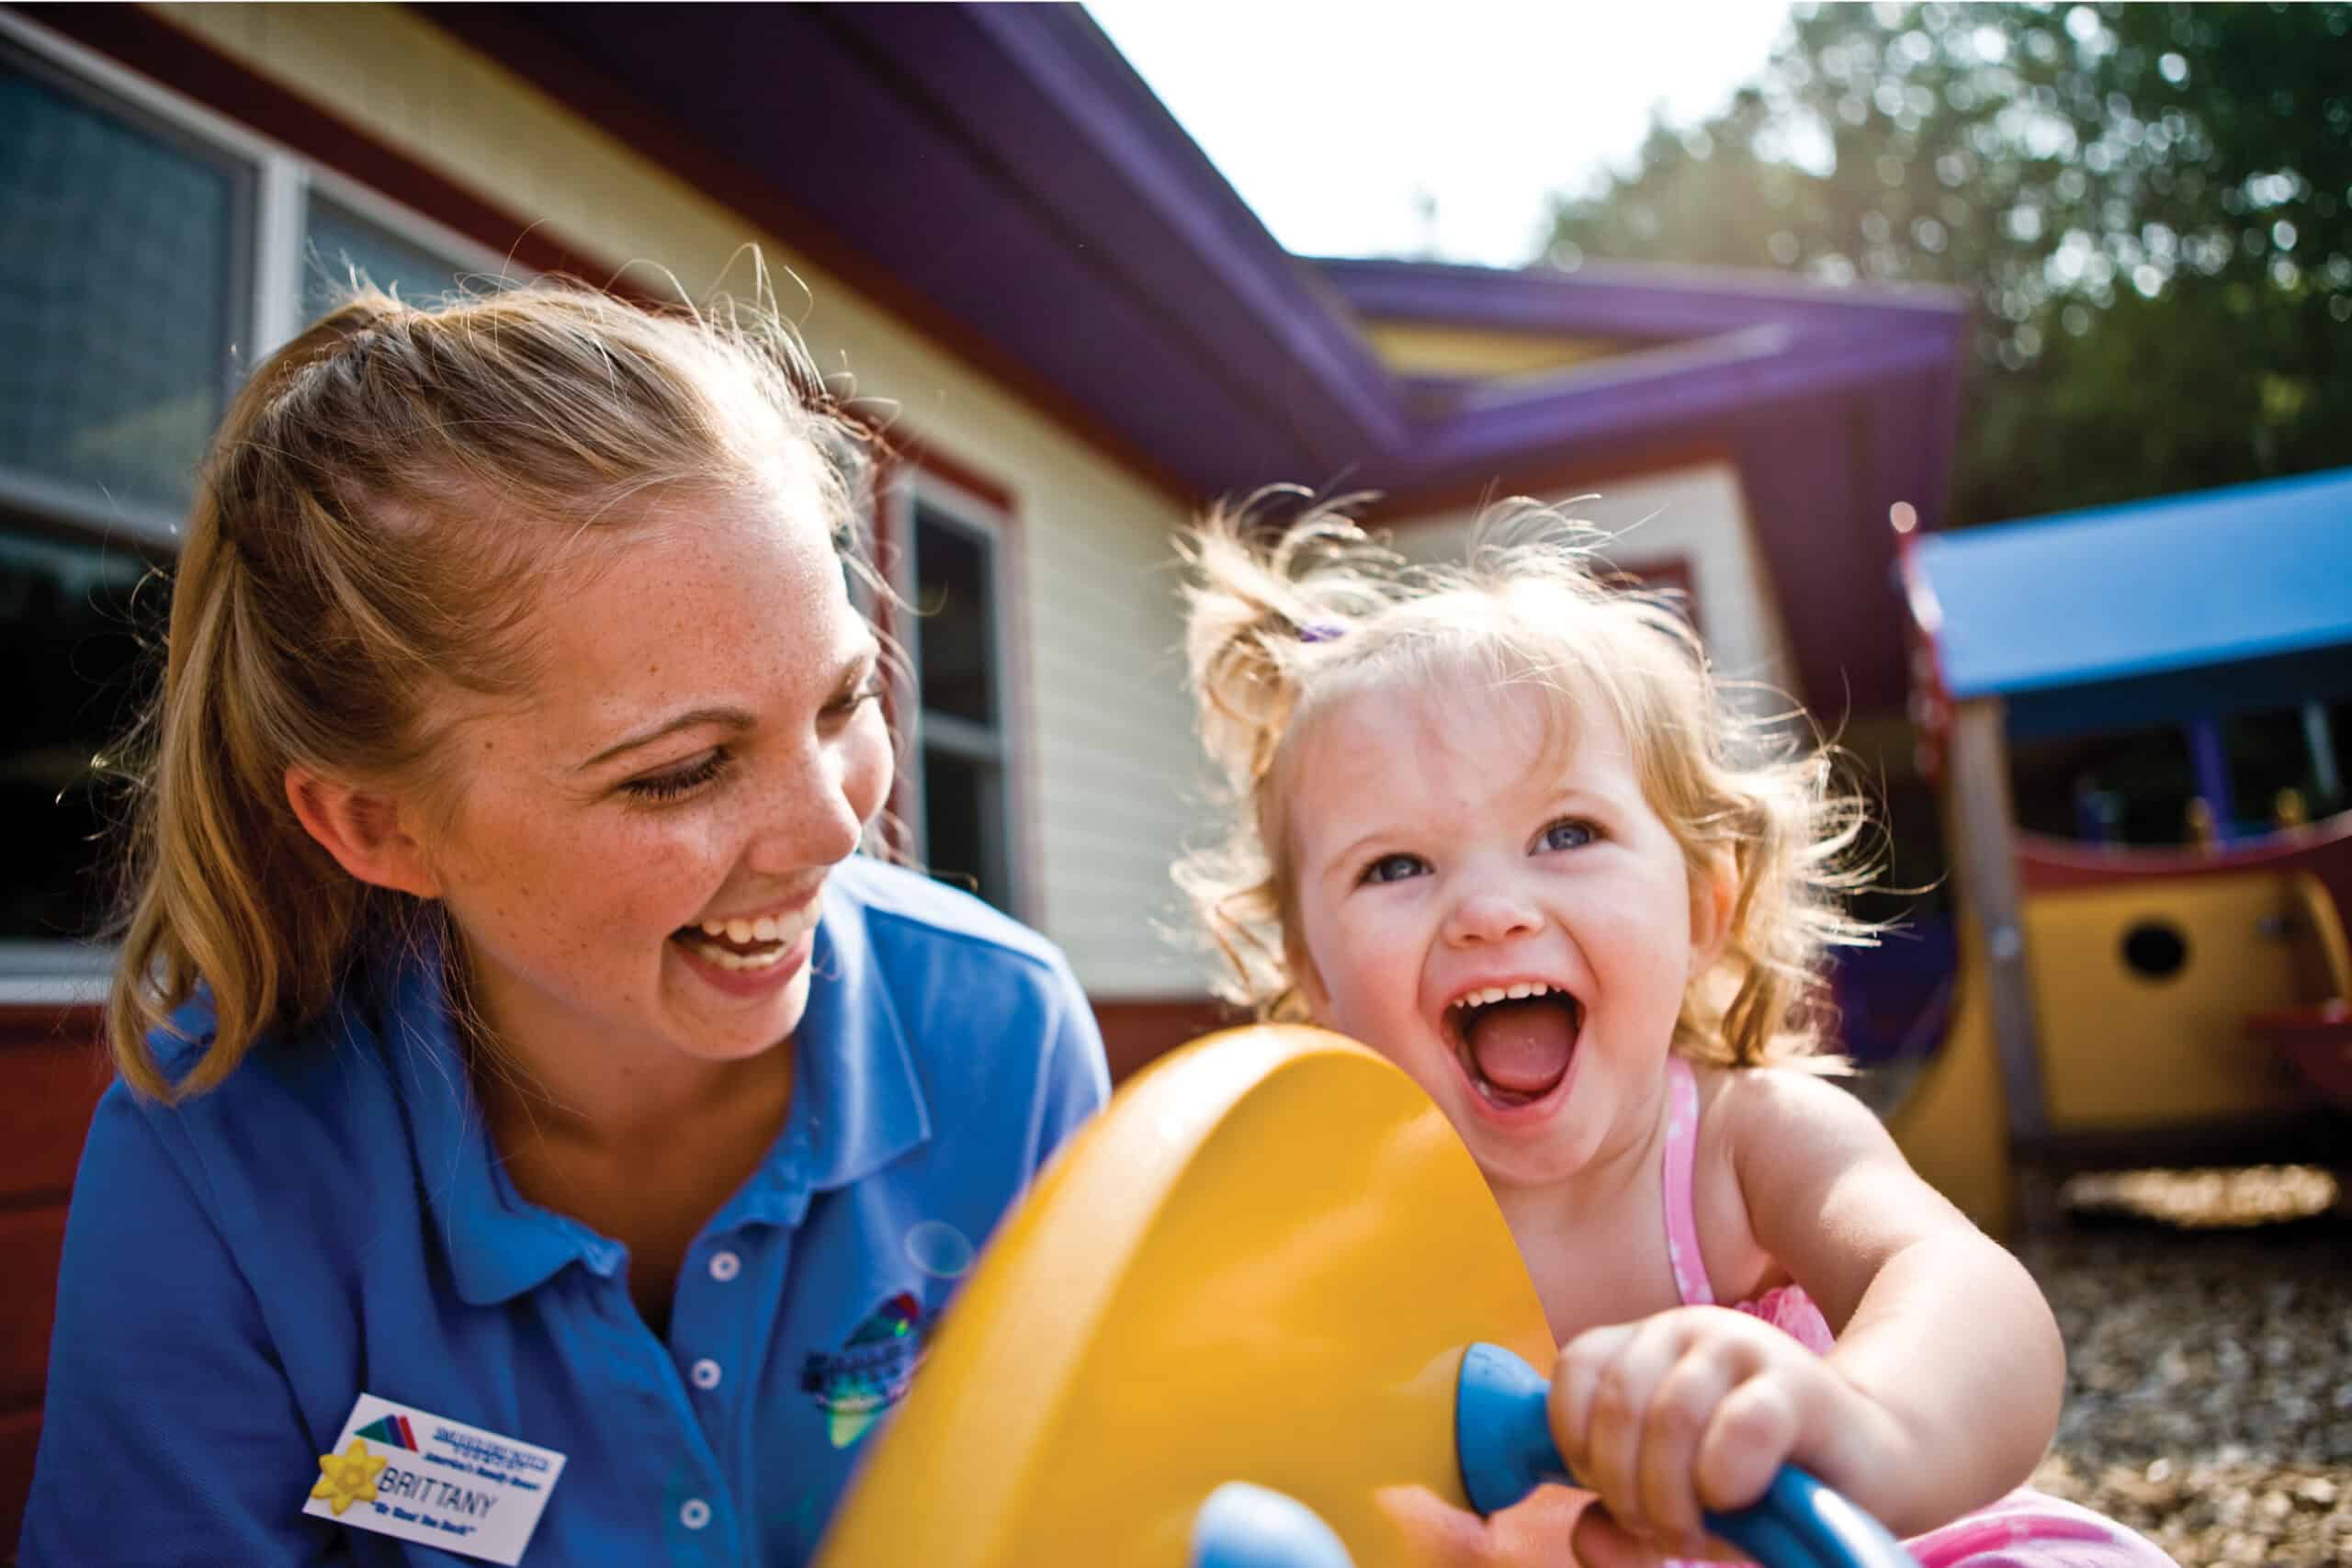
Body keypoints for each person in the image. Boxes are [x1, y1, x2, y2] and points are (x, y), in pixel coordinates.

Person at [20, 279, 1109, 1565]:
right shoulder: (218, 1162)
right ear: (380, 826)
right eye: (682, 769)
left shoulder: (1007, 1037)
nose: (834, 830)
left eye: (840, 702)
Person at [1174, 499, 2173, 1568]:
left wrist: (1864, 1427)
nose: (1487, 910)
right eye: (1396, 866)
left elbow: (1959, 1285)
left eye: (1566, 833)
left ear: (1702, 909)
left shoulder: (1746, 1143)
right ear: (1311, 978)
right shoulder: (1333, 1226)